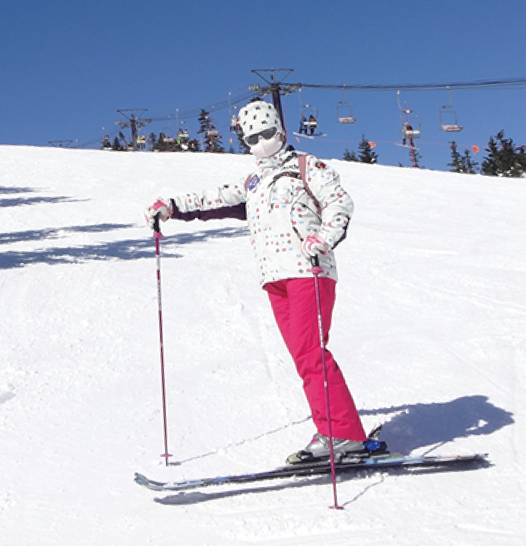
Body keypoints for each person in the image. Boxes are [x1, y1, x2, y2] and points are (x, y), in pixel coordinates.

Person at [143, 100, 379, 464]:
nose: (262, 142)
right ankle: (335, 429)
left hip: (308, 270)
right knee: (304, 357)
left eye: (268, 133)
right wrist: (170, 205)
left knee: (310, 353)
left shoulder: (306, 167)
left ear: (282, 133)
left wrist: (323, 237)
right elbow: (214, 199)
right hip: (275, 278)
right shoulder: (254, 182)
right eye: (253, 138)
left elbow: (338, 202)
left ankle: (342, 433)